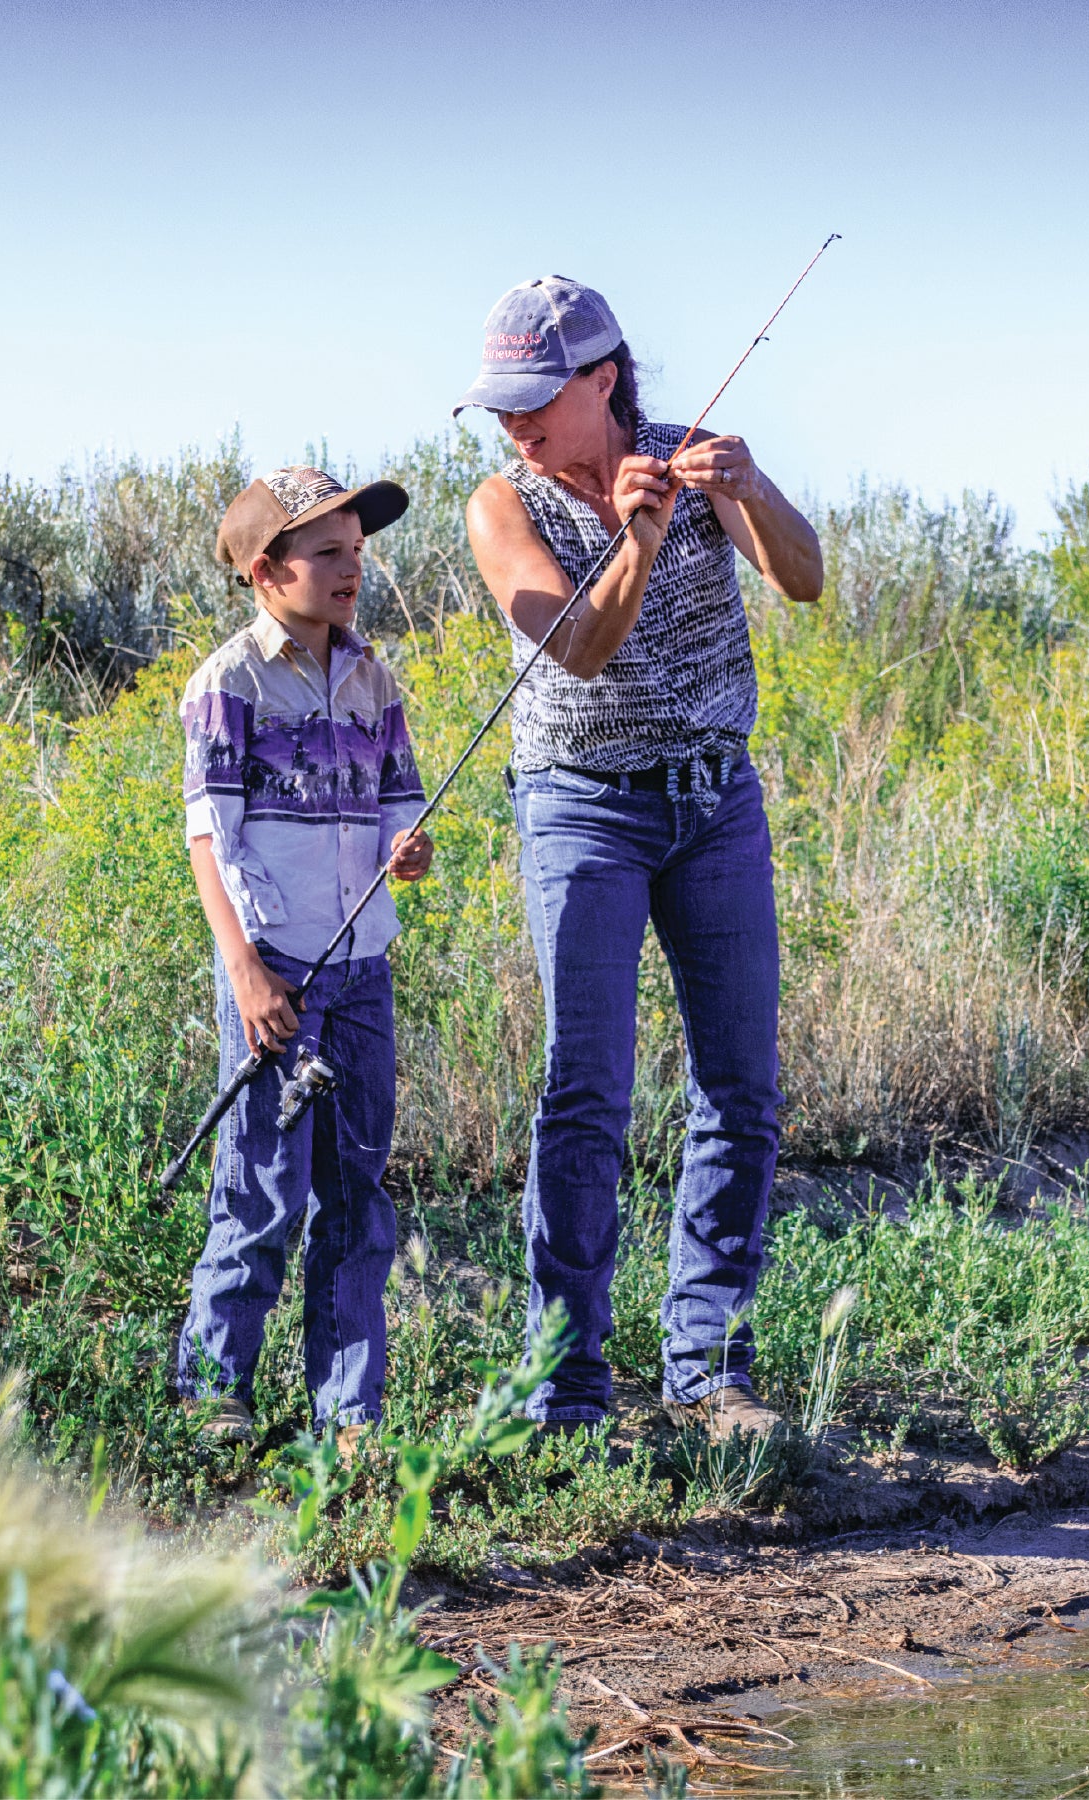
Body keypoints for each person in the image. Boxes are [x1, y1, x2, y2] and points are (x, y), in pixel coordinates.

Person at [457, 276, 822, 1439]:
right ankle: (564, 1385)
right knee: (585, 1095)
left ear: (602, 379)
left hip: (714, 803)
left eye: (535, 399)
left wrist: (746, 485)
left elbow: (803, 578)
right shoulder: (497, 506)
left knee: (741, 1090)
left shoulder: (690, 458)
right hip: (580, 810)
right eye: (501, 404)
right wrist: (642, 535)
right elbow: (580, 645)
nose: (515, 424)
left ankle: (709, 1369)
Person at [175, 466, 433, 1446]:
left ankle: (350, 1411)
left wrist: (410, 853)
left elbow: (403, 814)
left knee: (358, 1198)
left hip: (362, 971)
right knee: (259, 1192)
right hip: (274, 971)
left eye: (357, 552)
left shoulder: (375, 680)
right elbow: (211, 838)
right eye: (326, 551)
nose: (349, 568)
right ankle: (212, 1396)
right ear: (263, 570)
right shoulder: (228, 684)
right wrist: (243, 972)